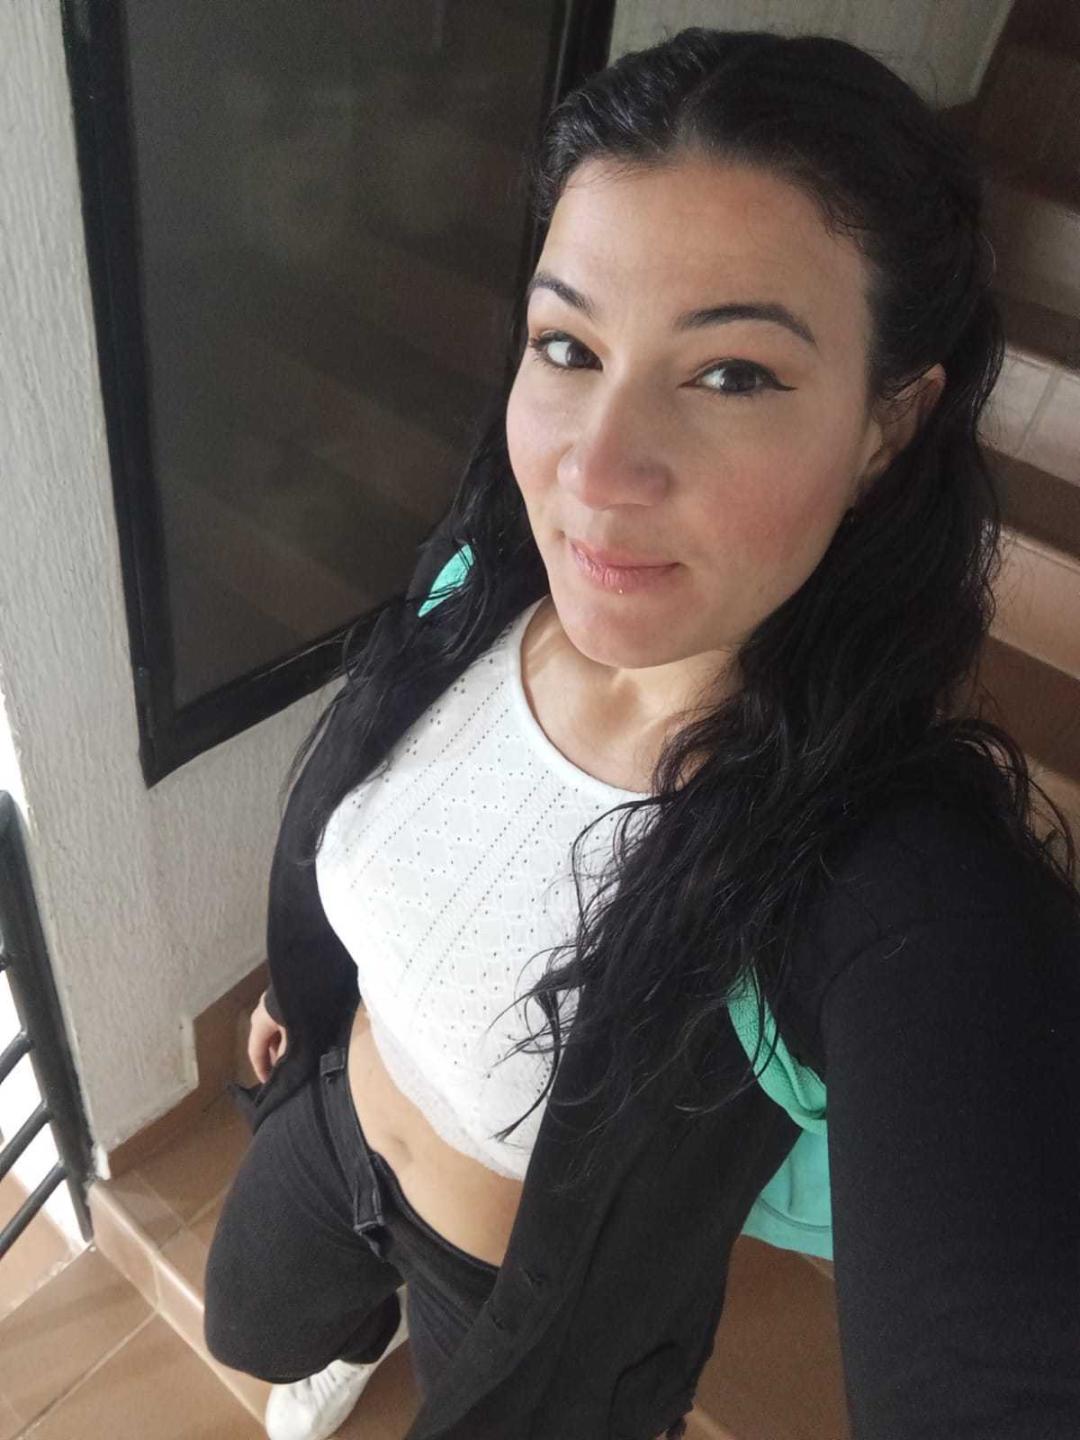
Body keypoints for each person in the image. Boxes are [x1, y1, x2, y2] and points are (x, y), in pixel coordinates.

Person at [203, 26, 1080, 1440]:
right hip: (333, 1106)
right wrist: (312, 979)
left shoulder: (873, 868)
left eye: (732, 373)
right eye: (569, 346)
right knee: (249, 1323)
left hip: (517, 1296)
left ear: (887, 423)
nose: (594, 471)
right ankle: (354, 1324)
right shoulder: (485, 577)